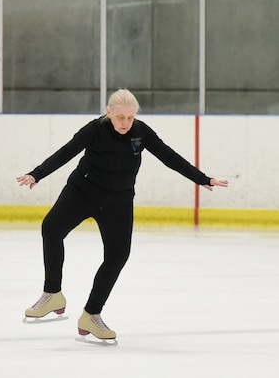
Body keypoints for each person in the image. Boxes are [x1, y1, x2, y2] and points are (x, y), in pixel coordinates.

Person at [16, 89, 228, 340]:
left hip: (118, 201)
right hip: (82, 192)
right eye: (120, 117)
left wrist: (201, 178)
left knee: (118, 256)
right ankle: (52, 294)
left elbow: (168, 156)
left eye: (130, 117)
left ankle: (91, 314)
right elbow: (66, 152)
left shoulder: (141, 132)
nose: (125, 123)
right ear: (108, 113)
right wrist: (37, 174)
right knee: (51, 228)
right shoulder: (94, 129)